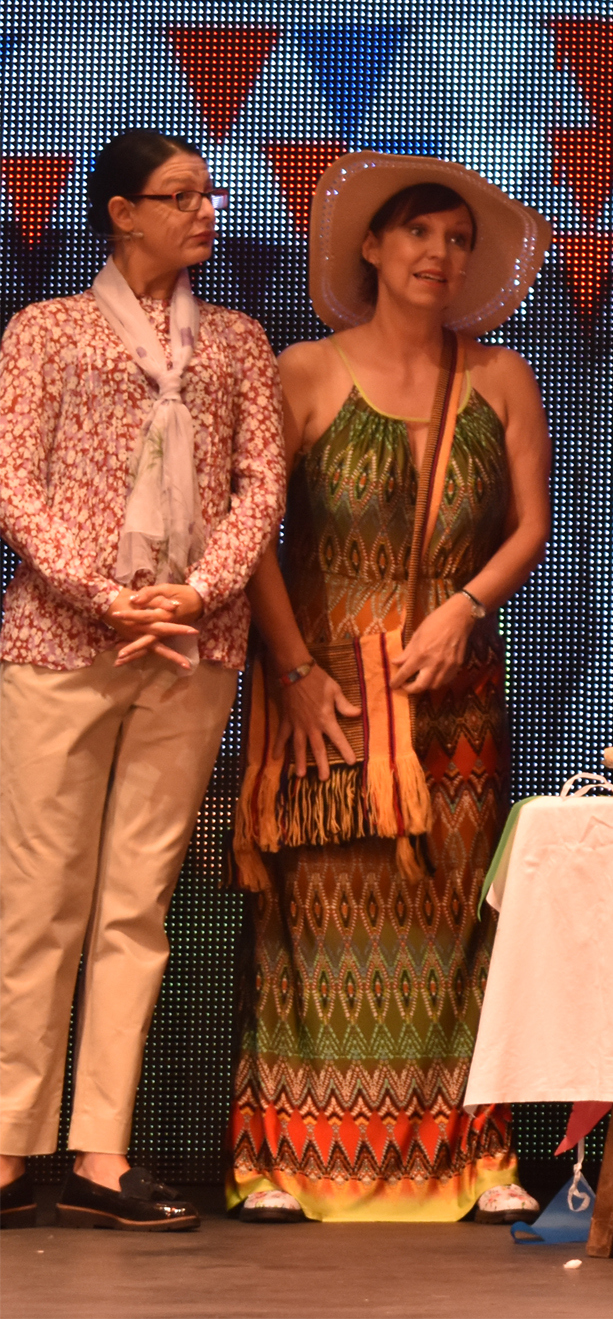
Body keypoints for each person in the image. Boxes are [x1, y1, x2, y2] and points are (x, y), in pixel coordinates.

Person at [227, 155, 553, 1224]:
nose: (438, 253)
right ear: (371, 246)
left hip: (453, 699)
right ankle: (283, 1157)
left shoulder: (500, 376)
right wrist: (294, 673)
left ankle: (475, 1154)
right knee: (314, 921)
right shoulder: (304, 372)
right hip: (328, 697)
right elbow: (253, 538)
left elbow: (531, 527)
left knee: (456, 915)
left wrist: (464, 608)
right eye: (419, 231)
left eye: (458, 240)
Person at [0, 130, 285, 1231]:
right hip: (65, 639)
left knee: (137, 900)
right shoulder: (46, 330)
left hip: (189, 645)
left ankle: (101, 1150)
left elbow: (260, 489)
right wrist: (101, 593)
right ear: (121, 214)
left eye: (207, 193)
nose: (205, 211)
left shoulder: (239, 343)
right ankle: (10, 1143)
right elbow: (15, 485)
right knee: (39, 896)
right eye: (178, 196)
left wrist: (195, 592)